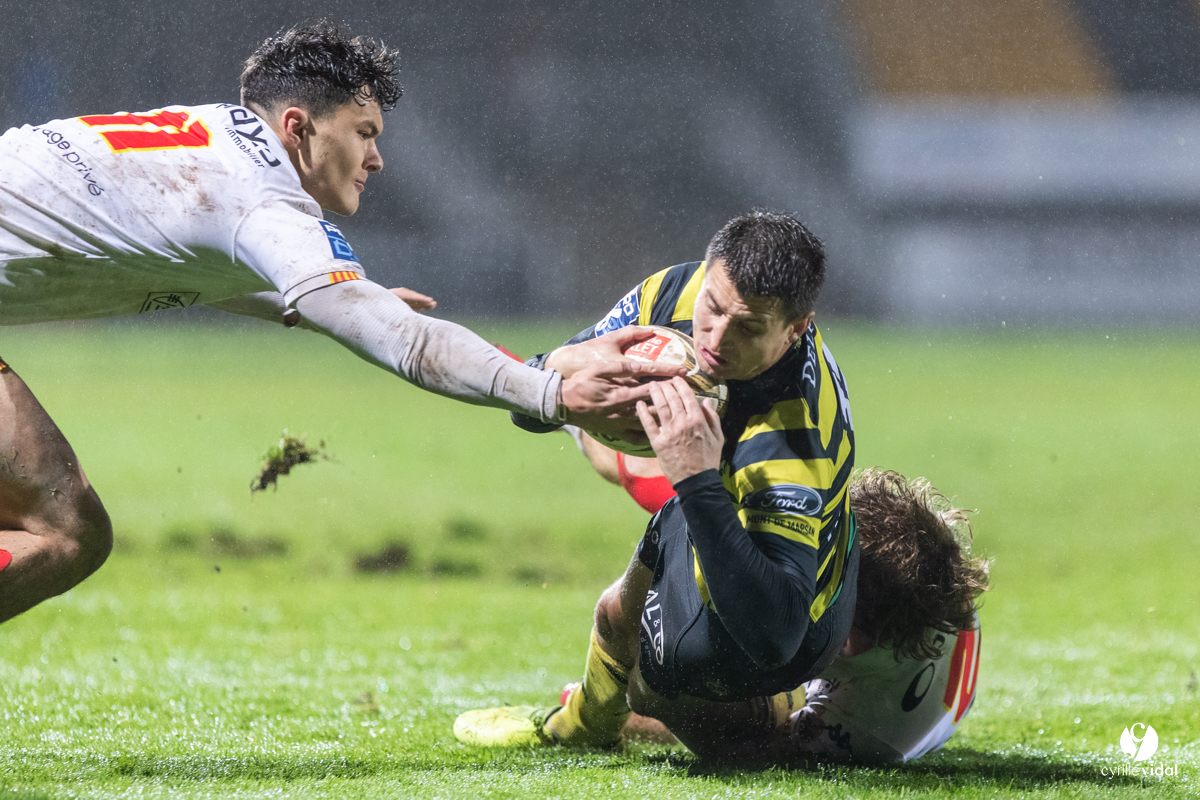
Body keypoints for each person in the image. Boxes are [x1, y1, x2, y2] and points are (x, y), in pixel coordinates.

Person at [0, 21, 679, 623]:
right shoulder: (262, 201)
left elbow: (175, 264)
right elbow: (408, 344)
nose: (377, 159)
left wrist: (331, 304)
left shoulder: (210, 137)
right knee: (65, 533)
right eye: (364, 133)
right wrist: (552, 394)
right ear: (298, 128)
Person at [455, 209, 859, 749]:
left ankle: (755, 714)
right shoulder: (671, 294)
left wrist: (693, 477)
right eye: (713, 309)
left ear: (796, 328)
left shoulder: (790, 439)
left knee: (653, 679)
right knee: (621, 603)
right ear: (708, 274)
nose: (716, 337)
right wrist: (561, 363)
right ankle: (586, 725)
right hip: (723, 503)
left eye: (749, 328)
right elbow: (527, 409)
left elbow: (776, 634)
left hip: (802, 617)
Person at [554, 431, 990, 763]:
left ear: (849, 641)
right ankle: (574, 422)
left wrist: (640, 708)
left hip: (891, 700)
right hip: (889, 626)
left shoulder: (869, 726)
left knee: (723, 707)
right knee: (673, 488)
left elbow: (746, 748)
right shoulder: (903, 548)